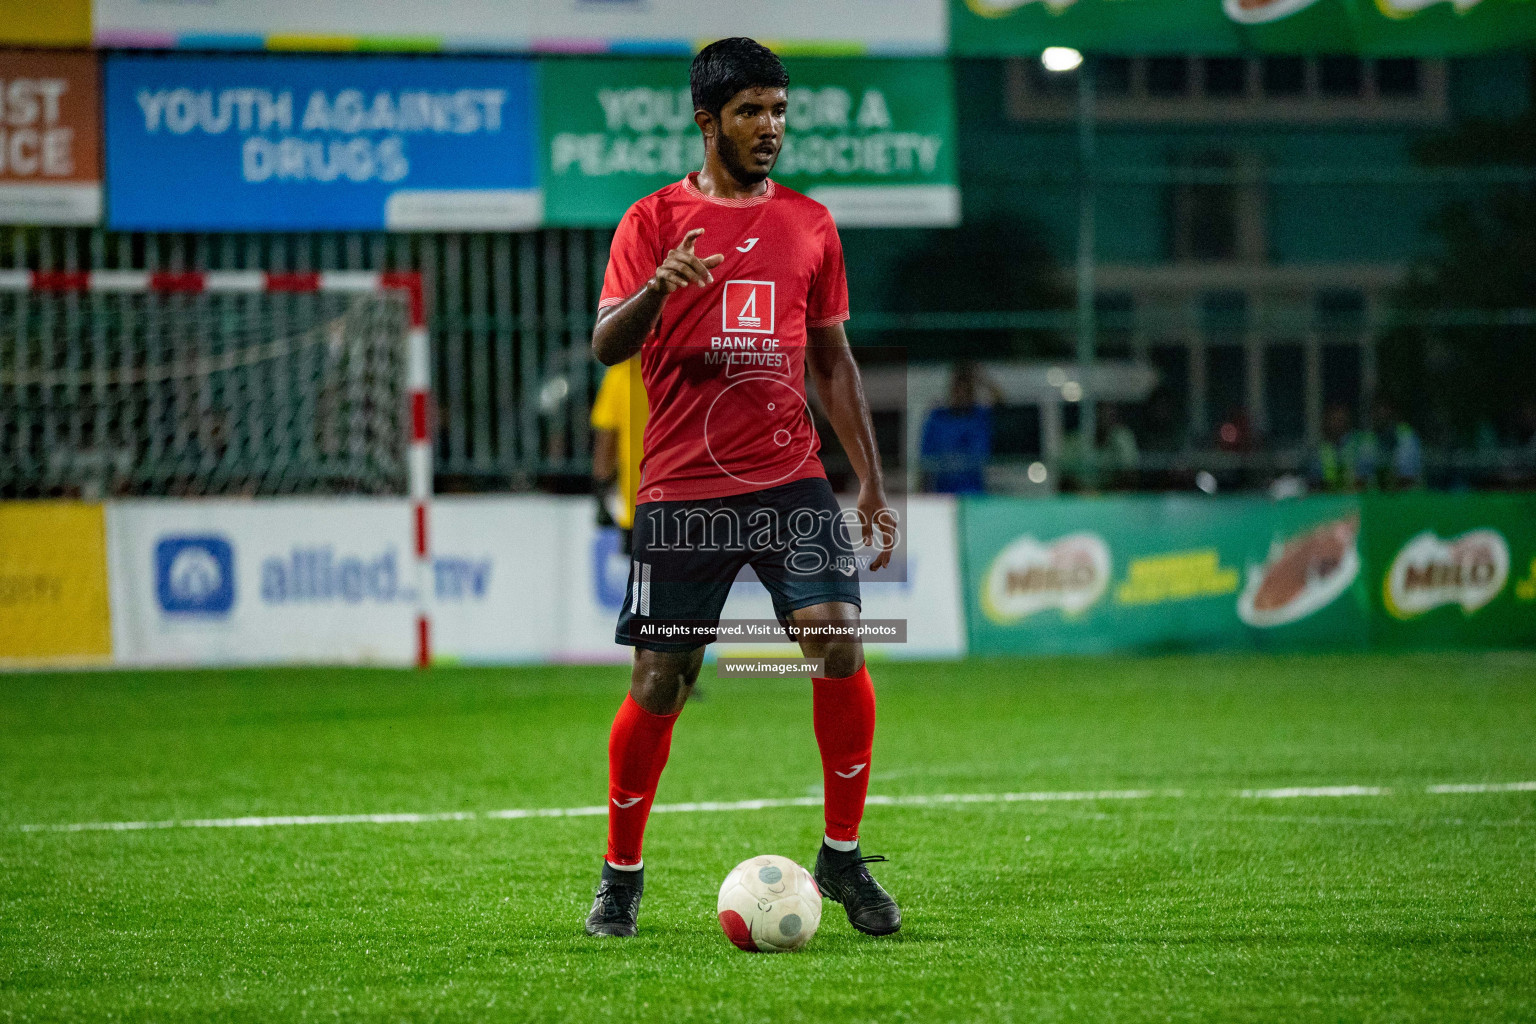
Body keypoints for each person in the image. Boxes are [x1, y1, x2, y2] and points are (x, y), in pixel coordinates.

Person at [583, 37, 900, 940]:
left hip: (790, 479)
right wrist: (655, 289)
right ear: (707, 120)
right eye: (753, 111)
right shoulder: (651, 220)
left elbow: (833, 361)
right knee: (661, 679)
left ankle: (841, 856)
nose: (772, 128)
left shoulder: (810, 223)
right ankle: (621, 874)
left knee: (839, 643)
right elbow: (608, 344)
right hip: (683, 487)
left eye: (780, 110)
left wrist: (870, 482)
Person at [590, 355, 647, 554]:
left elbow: (606, 442)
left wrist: (601, 498)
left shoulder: (621, 374)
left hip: (638, 506)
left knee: (644, 580)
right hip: (685, 505)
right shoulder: (677, 372)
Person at [919, 362, 996, 494]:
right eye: (958, 389)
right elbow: (925, 462)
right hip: (942, 495)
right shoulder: (937, 418)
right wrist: (922, 492)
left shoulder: (979, 416)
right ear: (951, 390)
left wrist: (982, 379)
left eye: (966, 390)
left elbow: (1003, 405)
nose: (961, 394)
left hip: (973, 494)